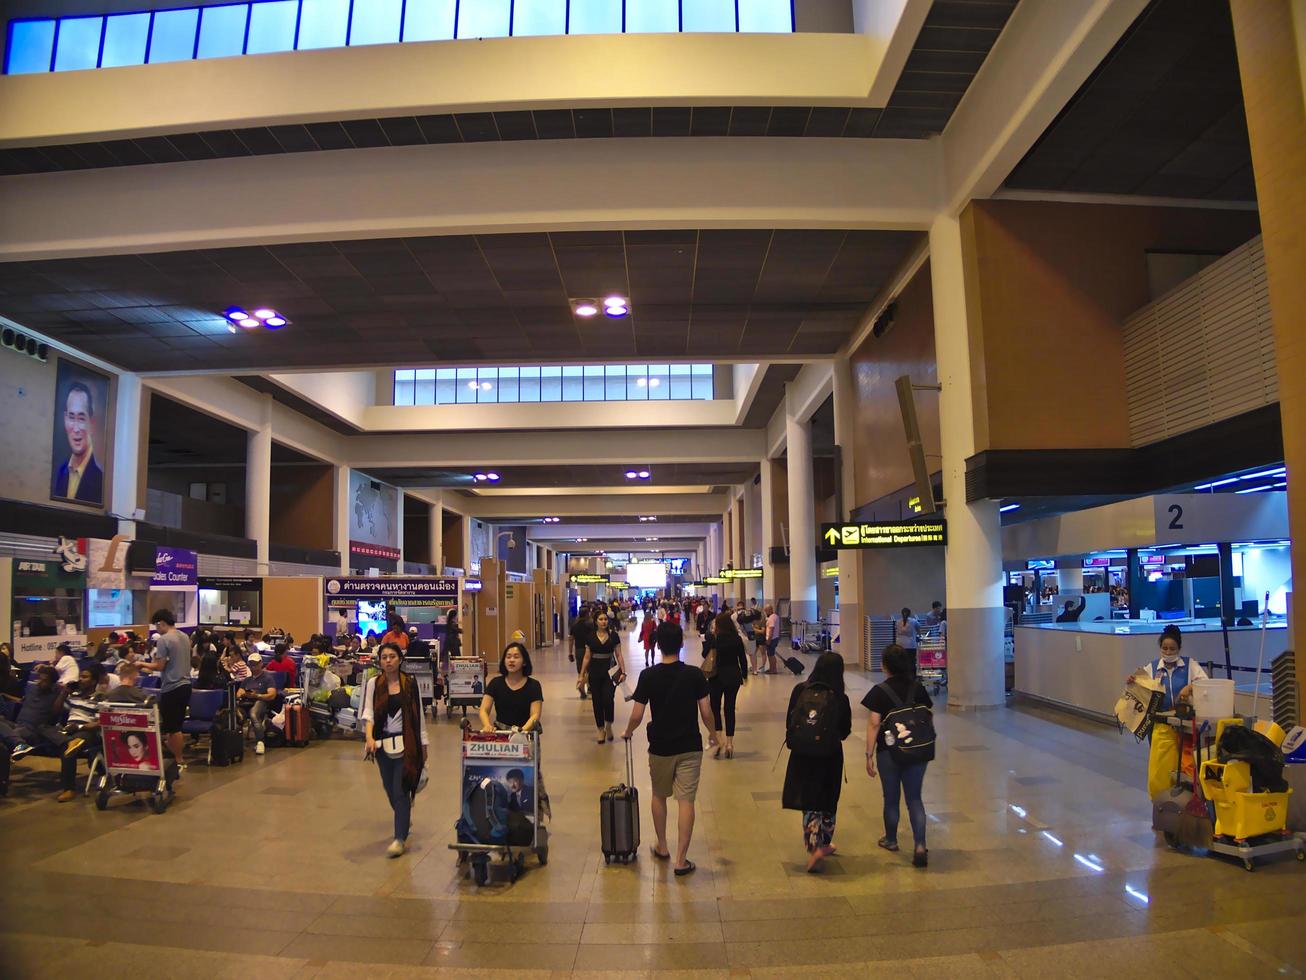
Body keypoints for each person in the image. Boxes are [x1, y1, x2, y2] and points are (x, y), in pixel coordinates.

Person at [622, 621, 715, 877]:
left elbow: (637, 714)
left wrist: (628, 732)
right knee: (686, 801)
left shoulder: (648, 676)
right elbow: (706, 711)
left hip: (660, 746)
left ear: (658, 645)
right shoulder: (695, 675)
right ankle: (681, 860)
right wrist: (714, 734)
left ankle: (662, 846)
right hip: (689, 745)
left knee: (659, 795)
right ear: (681, 644)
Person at [863, 643, 933, 868]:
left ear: (885, 666)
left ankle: (891, 839)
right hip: (918, 750)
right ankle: (920, 845)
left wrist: (868, 754)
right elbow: (927, 717)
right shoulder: (918, 688)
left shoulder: (879, 691)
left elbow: (874, 724)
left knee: (891, 798)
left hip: (889, 752)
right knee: (915, 799)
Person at [783, 652, 853, 872]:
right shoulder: (840, 697)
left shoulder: (800, 690)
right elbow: (845, 731)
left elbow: (790, 722)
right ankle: (824, 842)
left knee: (810, 800)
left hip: (803, 754)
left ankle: (814, 848)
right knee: (828, 799)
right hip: (830, 755)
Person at [362, 643, 429, 858]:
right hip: (382, 746)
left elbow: (419, 717)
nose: (388, 661)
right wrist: (369, 737)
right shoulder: (374, 683)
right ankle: (404, 816)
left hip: (407, 745)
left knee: (400, 791)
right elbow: (368, 712)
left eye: (392, 656)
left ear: (400, 659)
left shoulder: (409, 684)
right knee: (390, 790)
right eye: (384, 657)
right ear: (380, 661)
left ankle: (399, 838)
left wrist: (423, 746)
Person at [1127, 624, 1208, 799]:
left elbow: (1205, 683)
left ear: (1179, 648)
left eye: (1172, 648)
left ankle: (1183, 797)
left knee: (1184, 765)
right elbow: (1139, 689)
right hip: (1160, 725)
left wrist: (1190, 687)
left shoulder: (1189, 665)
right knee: (1161, 766)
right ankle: (1161, 800)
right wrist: (1132, 681)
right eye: (1165, 648)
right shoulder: (1152, 667)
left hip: (1183, 724)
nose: (1168, 652)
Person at [0, 666, 70, 795]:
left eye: (45, 680)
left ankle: (18, 745)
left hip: (33, 730)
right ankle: (19, 744)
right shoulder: (33, 690)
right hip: (17, 725)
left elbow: (56, 712)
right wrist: (5, 695)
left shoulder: (56, 693)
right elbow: (21, 701)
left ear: (52, 682)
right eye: (40, 679)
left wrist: (63, 694)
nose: (41, 682)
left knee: (4, 744)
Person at [137, 609, 191, 771]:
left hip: (171, 686)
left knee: (172, 728)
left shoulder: (164, 640)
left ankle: (177, 759)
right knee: (178, 725)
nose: (157, 629)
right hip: (186, 685)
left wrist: (142, 664)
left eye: (156, 625)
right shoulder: (185, 637)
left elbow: (160, 666)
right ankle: (176, 757)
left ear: (161, 623)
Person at [52, 381, 104, 504]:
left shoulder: (100, 480)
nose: (75, 429)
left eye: (81, 419)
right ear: (65, 420)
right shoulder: (61, 472)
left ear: (92, 423)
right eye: (71, 417)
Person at [578, 609, 626, 743]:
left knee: (608, 699)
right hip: (594, 672)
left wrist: (623, 671)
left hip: (610, 672)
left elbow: (619, 654)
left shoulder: (614, 636)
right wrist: (581, 675)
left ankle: (609, 725)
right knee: (597, 701)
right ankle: (600, 729)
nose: (603, 621)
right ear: (596, 621)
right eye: (600, 619)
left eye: (605, 619)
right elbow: (587, 657)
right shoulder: (590, 637)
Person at [706, 612, 748, 759]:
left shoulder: (714, 639)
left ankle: (719, 740)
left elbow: (705, 654)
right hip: (733, 677)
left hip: (716, 677)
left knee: (715, 708)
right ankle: (730, 743)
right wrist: (744, 675)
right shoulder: (736, 639)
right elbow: (742, 658)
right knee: (729, 709)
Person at [479, 642, 543, 733]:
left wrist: (521, 731)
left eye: (516, 657)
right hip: (501, 734)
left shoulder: (534, 686)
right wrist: (487, 725)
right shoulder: (495, 683)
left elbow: (535, 715)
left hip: (525, 733)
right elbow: (484, 709)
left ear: (524, 662)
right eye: (508, 657)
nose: (511, 660)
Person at [237, 653, 277, 755]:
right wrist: (244, 694)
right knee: (236, 714)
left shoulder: (267, 678)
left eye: (255, 664)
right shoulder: (247, 680)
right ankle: (235, 742)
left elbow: (272, 695)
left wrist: (257, 696)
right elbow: (239, 693)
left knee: (253, 714)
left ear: (261, 664)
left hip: (261, 701)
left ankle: (260, 741)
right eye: (251, 664)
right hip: (246, 702)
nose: (253, 667)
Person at [570, 605, 593, 700]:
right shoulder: (590, 625)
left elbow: (571, 639)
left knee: (581, 671)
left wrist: (569, 652)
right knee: (590, 670)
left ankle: (583, 691)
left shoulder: (574, 625)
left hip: (578, 649)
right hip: (589, 649)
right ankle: (585, 686)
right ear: (587, 614)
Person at [763, 603, 782, 674]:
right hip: (775, 637)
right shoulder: (776, 616)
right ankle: (772, 668)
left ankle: (773, 670)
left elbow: (771, 630)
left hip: (772, 639)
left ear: (770, 610)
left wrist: (768, 640)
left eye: (766, 611)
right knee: (771, 654)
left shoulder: (771, 619)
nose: (765, 613)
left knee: (771, 655)